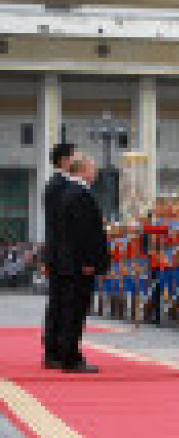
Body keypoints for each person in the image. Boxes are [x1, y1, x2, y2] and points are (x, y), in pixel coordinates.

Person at [55, 154, 109, 373]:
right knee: (75, 310)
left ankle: (70, 354)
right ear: (82, 170)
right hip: (79, 265)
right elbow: (81, 233)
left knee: (74, 309)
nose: (95, 172)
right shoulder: (79, 194)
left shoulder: (73, 193)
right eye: (92, 168)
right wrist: (88, 261)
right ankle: (71, 358)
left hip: (73, 263)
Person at [42, 142, 75, 369]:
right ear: (63, 160)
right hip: (62, 255)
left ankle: (54, 348)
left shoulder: (58, 184)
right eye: (73, 157)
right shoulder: (58, 186)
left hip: (60, 253)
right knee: (59, 303)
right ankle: (53, 350)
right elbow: (57, 227)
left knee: (59, 302)